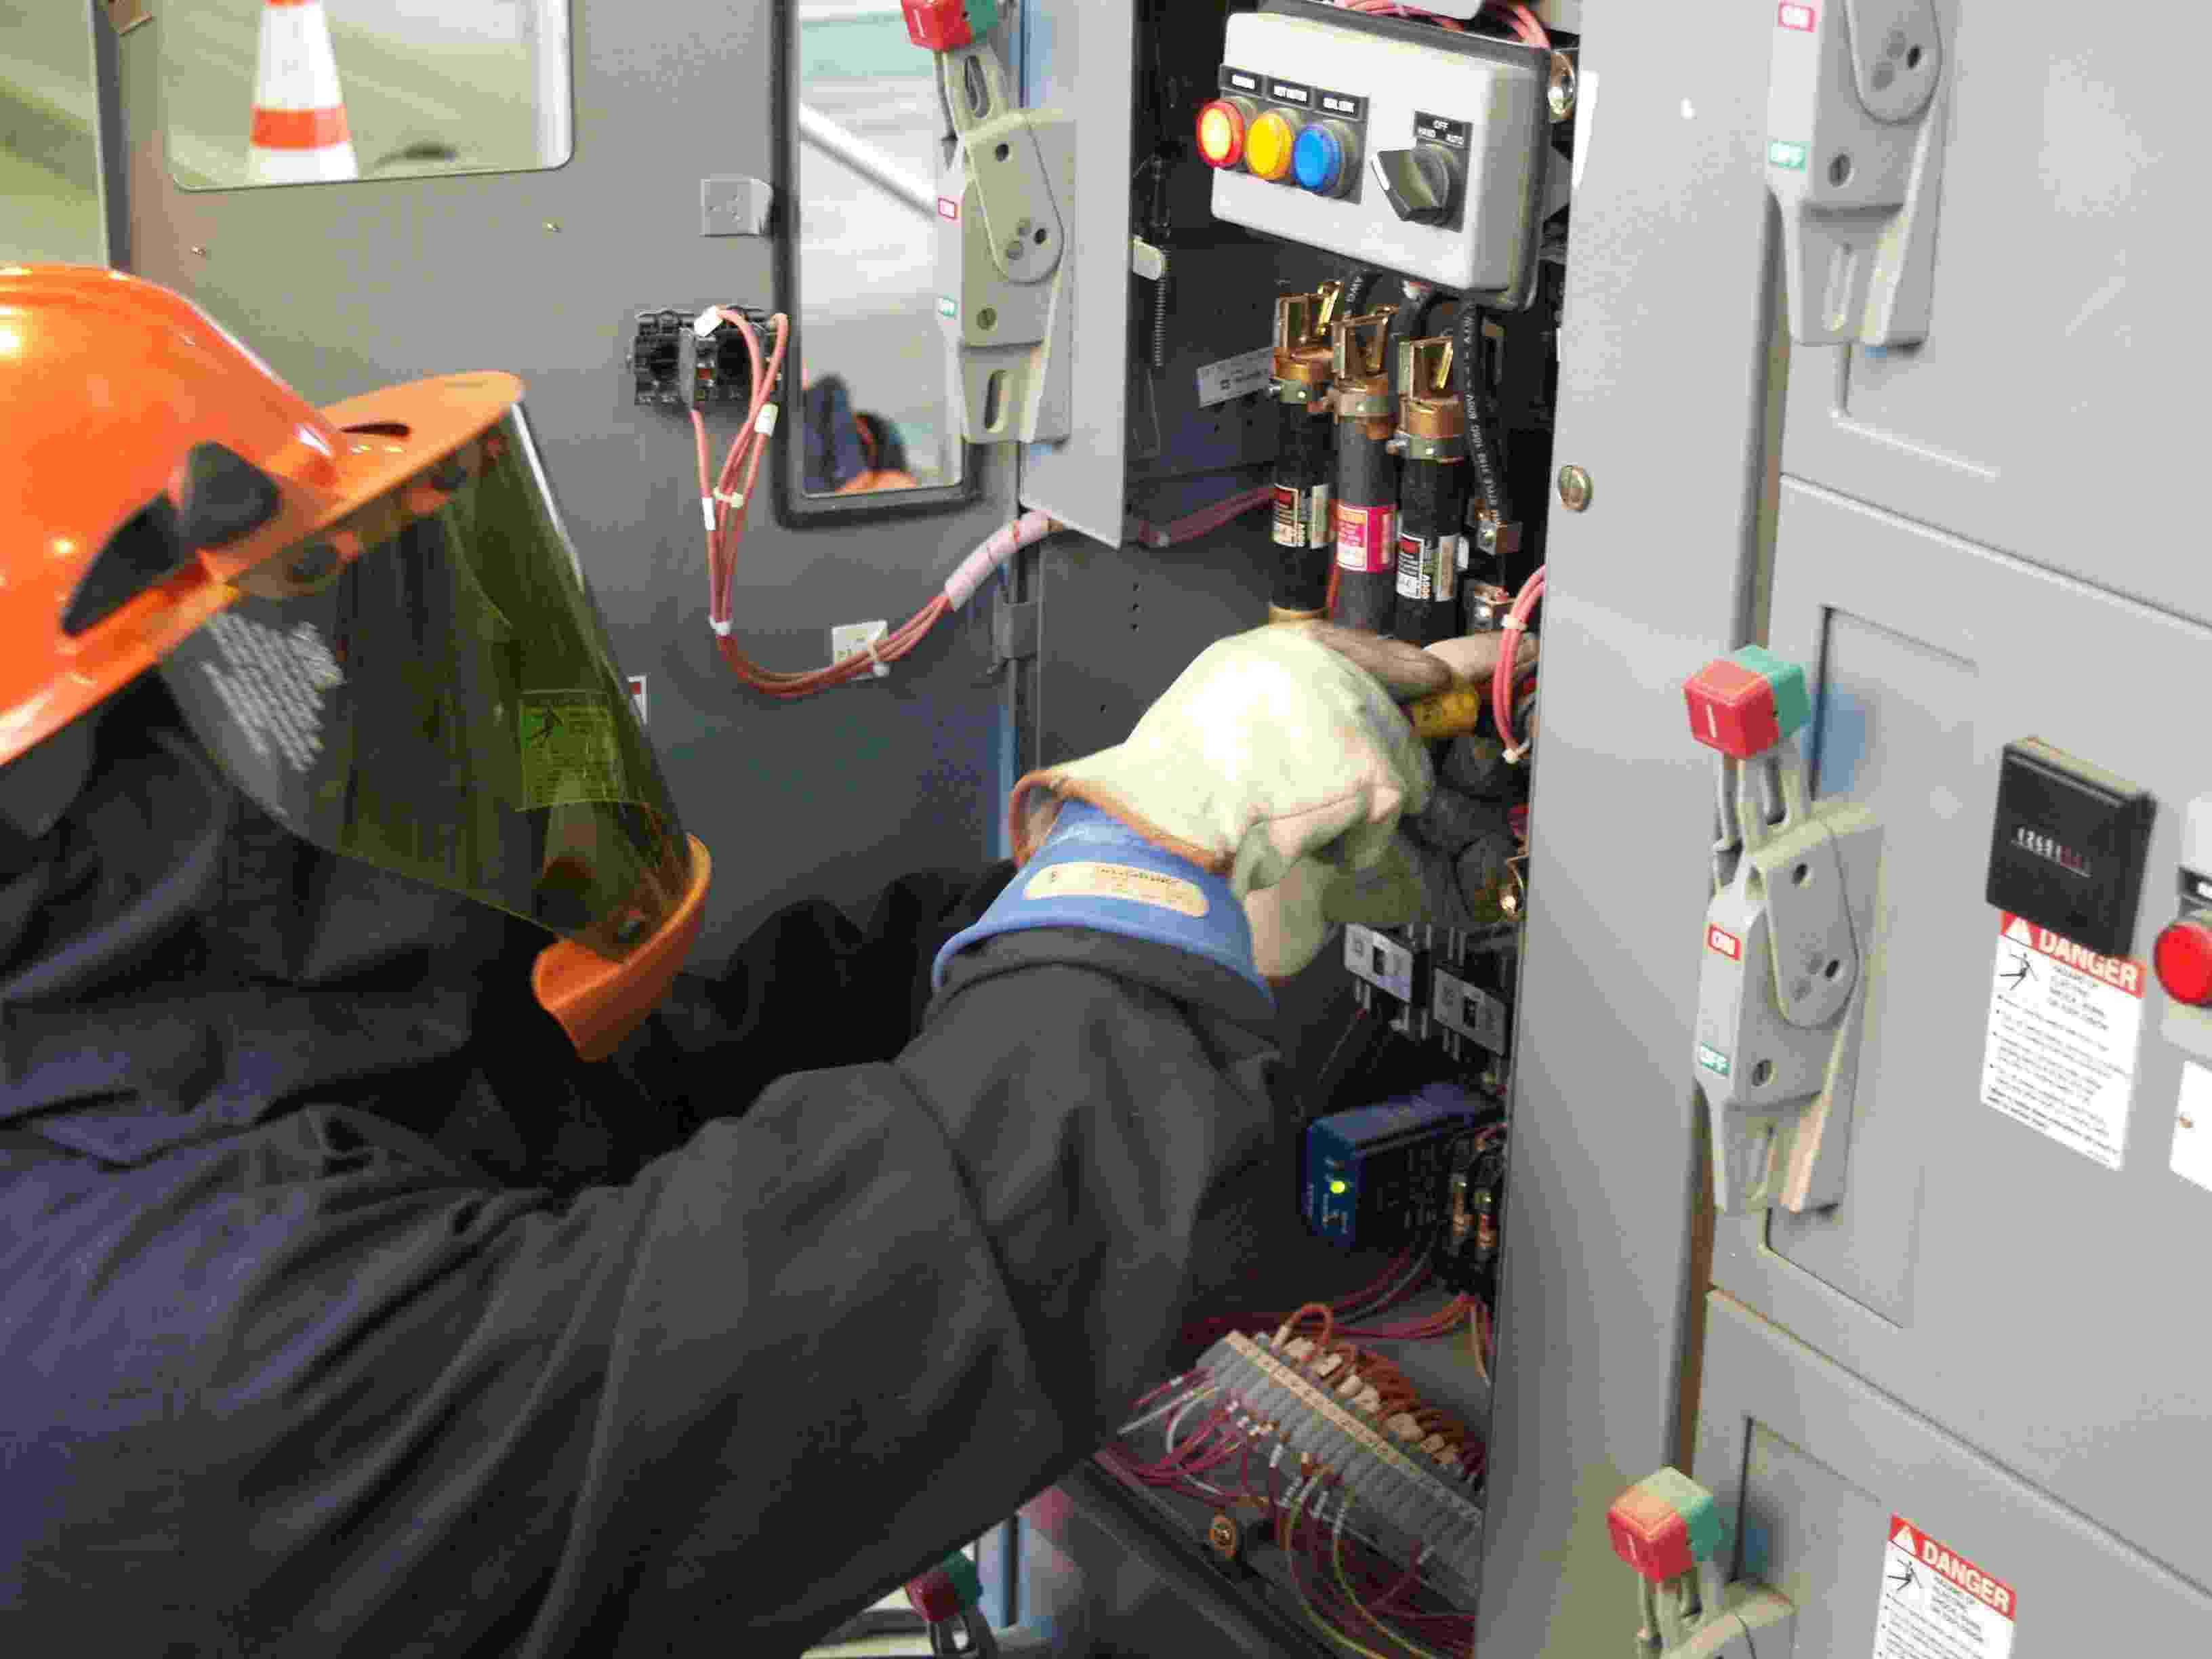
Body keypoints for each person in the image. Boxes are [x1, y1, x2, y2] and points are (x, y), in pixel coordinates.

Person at [0, 266, 1511, 1656]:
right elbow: (866, 1293)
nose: (374, 714)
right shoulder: (196, 1345)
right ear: (92, 802)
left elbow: (652, 1110)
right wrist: (1161, 852)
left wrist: (1109, 885)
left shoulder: (150, 1076)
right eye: (285, 664)